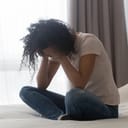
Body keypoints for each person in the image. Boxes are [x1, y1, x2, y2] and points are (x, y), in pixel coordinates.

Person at [19, 19, 120, 121]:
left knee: (73, 95)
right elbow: (42, 86)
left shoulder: (88, 41)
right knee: (26, 91)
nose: (50, 56)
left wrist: (61, 57)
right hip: (77, 103)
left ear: (57, 42)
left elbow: (79, 84)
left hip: (106, 107)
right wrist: (44, 57)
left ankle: (66, 115)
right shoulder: (59, 50)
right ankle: (59, 116)